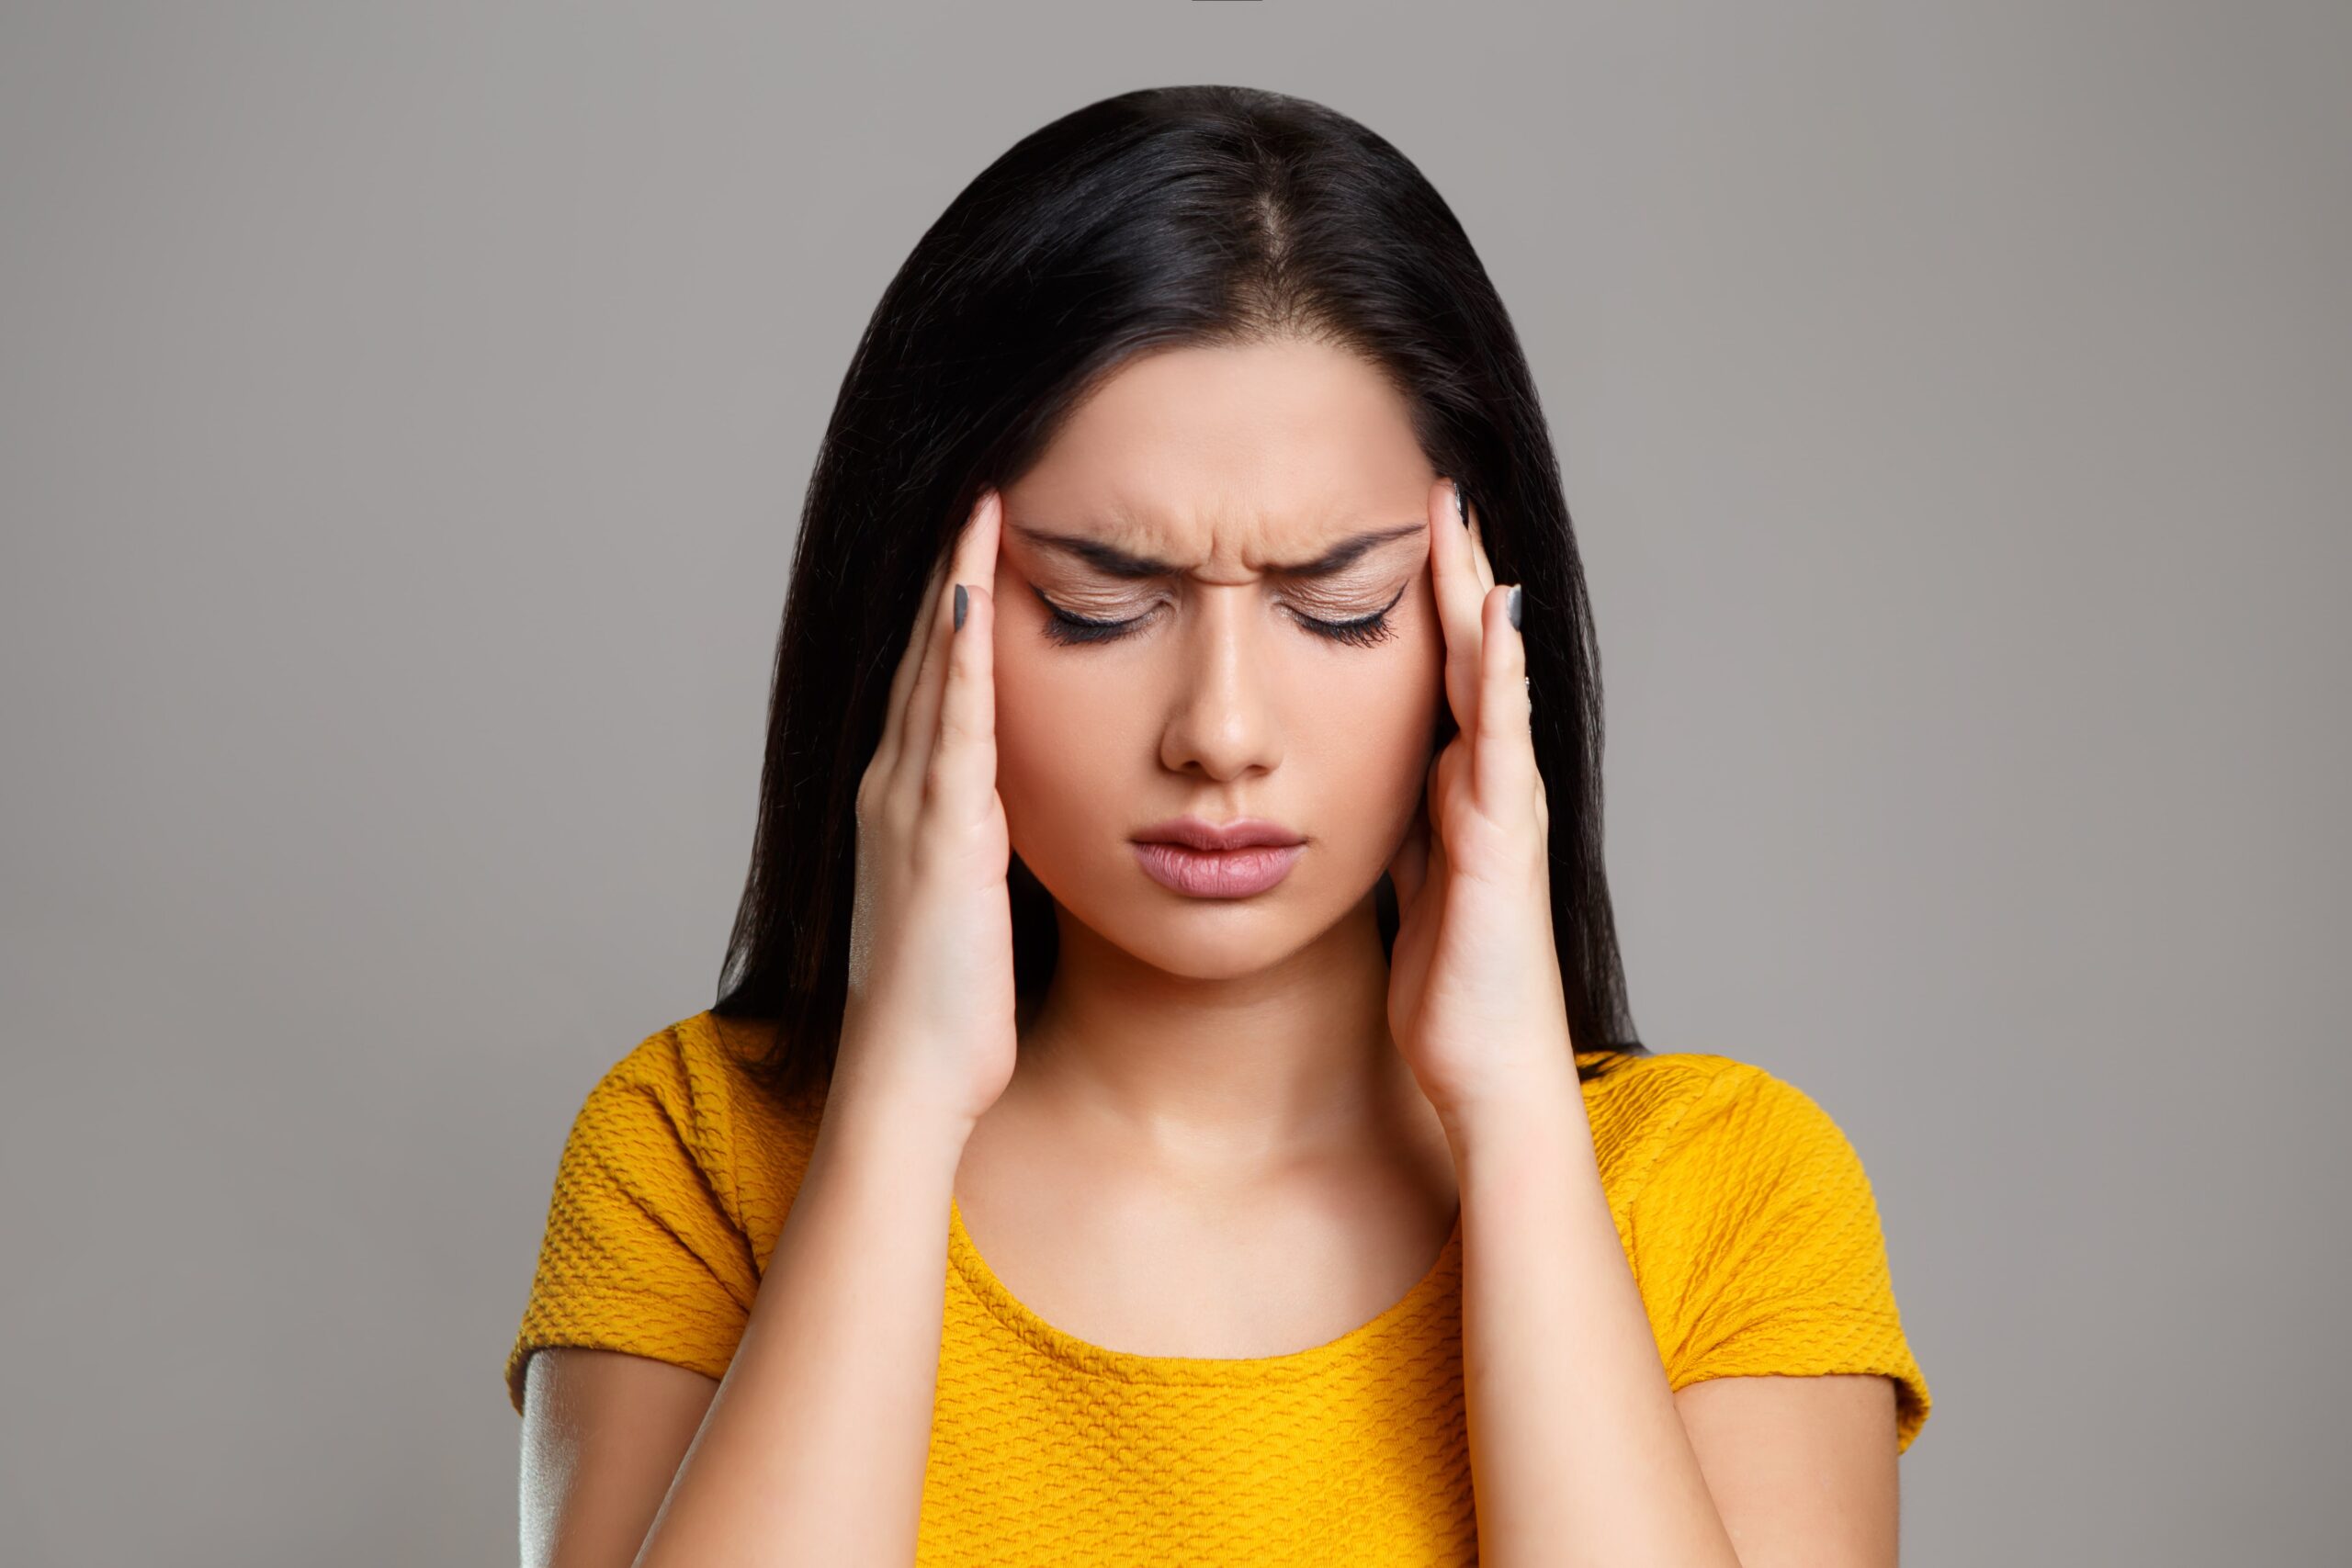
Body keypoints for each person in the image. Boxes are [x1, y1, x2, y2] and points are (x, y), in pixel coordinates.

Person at [503, 84, 1931, 1567]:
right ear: (927, 613)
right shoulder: (695, 1153)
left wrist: (1516, 1119)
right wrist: (897, 1104)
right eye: (1099, 605)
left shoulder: (1730, 1190)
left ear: (1475, 621)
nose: (1222, 734)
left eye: (1342, 608)